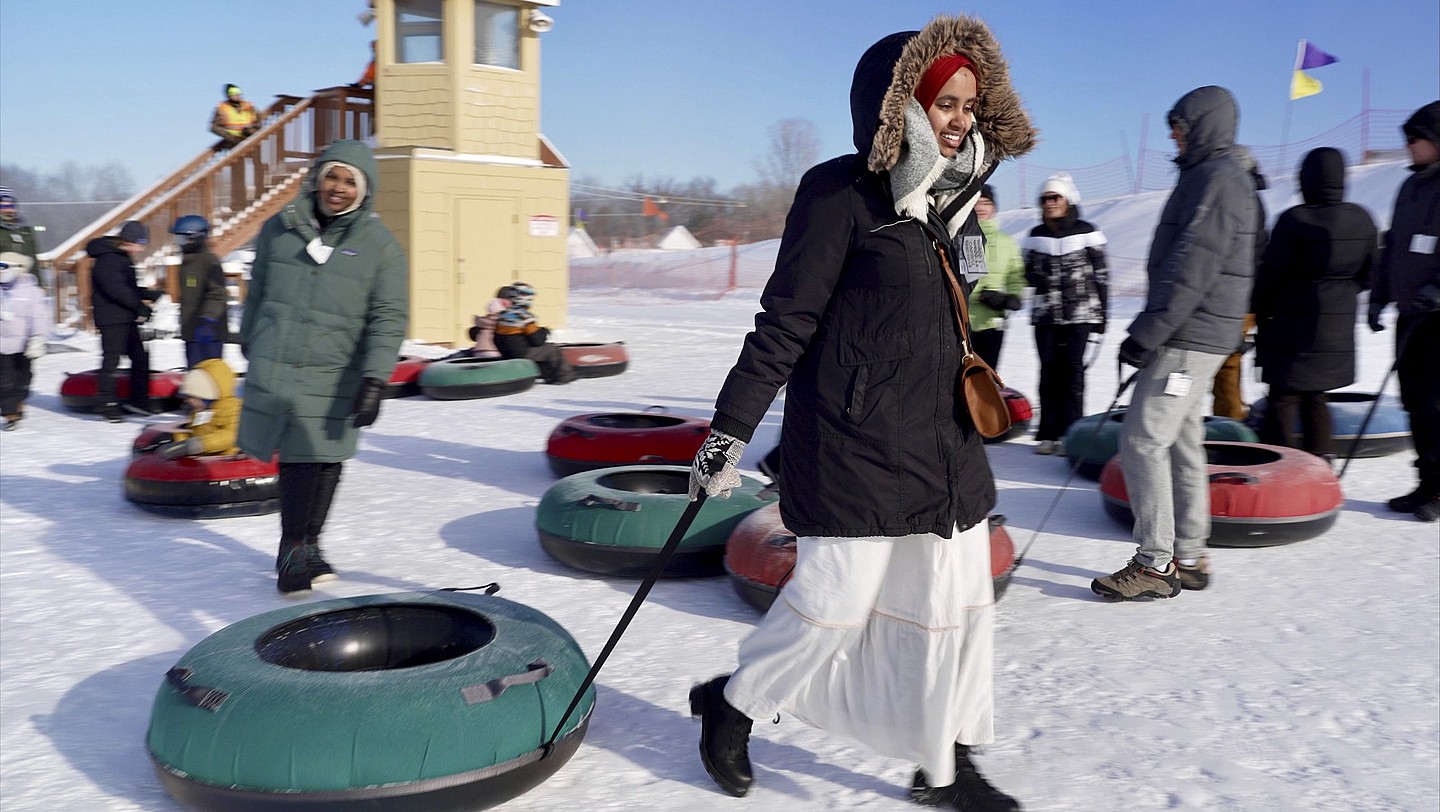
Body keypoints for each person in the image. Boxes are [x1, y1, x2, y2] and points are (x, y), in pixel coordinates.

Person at [686, 15, 1034, 810]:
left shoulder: (957, 202)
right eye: (944, 102)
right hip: (854, 443)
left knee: (957, 611)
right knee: (832, 606)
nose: (960, 119)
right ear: (900, 102)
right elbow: (786, 323)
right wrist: (729, 430)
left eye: (969, 105)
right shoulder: (838, 193)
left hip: (944, 448)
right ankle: (733, 706)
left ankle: (945, 764)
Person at [1094, 86, 1258, 600]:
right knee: (1183, 441)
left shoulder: (1217, 179)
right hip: (1198, 334)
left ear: (1204, 127)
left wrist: (1147, 332)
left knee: (1142, 440)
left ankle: (1155, 563)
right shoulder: (1213, 176)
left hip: (1188, 336)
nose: (1173, 136)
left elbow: (1191, 268)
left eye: (1181, 127)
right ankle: (1188, 554)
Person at [237, 139, 409, 595]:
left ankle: (310, 545)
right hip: (282, 361)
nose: (338, 187)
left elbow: (389, 317)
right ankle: (292, 550)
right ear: (316, 178)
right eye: (332, 176)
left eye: (350, 181)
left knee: (329, 458)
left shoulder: (380, 247)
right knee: (299, 456)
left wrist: (375, 378)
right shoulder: (279, 229)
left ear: (364, 190)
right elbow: (257, 291)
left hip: (338, 370)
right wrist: (250, 338)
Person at [1252, 147, 1377, 462]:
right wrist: (1341, 293)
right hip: (1337, 326)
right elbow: (1371, 273)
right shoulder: (1362, 219)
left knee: (1283, 396)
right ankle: (1321, 463)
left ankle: (1279, 465)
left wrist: (1260, 306)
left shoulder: (1295, 220)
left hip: (1292, 322)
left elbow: (1271, 274)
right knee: (1315, 396)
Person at [1368, 100, 1440, 523]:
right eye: (1407, 138)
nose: (1409, 144)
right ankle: (1426, 483)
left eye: (1417, 138)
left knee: (1435, 404)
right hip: (1411, 314)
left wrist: (1437, 290)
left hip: (1437, 316)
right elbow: (1392, 246)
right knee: (1414, 401)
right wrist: (1379, 296)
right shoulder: (1410, 187)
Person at [1022, 171, 1108, 454]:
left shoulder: (1088, 231)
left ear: (1068, 199)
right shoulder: (1035, 235)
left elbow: (1102, 276)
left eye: (1055, 197)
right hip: (1045, 316)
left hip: (1080, 315)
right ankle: (1049, 433)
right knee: (1048, 371)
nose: (1049, 203)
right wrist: (1037, 277)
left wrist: (1102, 316)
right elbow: (1026, 272)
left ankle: (1072, 433)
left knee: (1072, 373)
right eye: (1044, 199)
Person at [1209, 147, 1269, 420]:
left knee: (1226, 366)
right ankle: (1228, 420)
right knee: (1225, 366)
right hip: (1241, 296)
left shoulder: (1242, 199)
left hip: (1237, 298)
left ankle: (1229, 427)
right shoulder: (1248, 198)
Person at [88, 220, 160, 422]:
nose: (141, 249)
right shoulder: (107, 259)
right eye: (140, 244)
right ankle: (107, 403)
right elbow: (116, 289)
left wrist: (146, 294)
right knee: (112, 360)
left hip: (125, 316)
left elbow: (126, 287)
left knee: (140, 357)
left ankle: (138, 400)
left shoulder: (122, 257)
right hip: (111, 318)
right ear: (128, 241)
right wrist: (138, 305)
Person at [967, 183, 1025, 370]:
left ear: (994, 207)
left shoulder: (1007, 242)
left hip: (993, 324)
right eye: (977, 202)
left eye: (986, 203)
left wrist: (1013, 296)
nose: (981, 207)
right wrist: (982, 296)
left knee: (989, 377)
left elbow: (1015, 275)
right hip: (966, 323)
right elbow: (968, 281)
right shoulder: (968, 239)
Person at [170, 215, 230, 368]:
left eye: (182, 239)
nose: (179, 244)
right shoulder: (187, 262)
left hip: (209, 332)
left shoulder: (209, 261)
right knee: (194, 375)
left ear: (195, 238)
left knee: (208, 375)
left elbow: (217, 293)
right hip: (192, 331)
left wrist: (208, 319)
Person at [153, 358, 242, 459]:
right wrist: (176, 439)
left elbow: (231, 436)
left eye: (193, 397)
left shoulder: (234, 409)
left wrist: (197, 445)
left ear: (207, 396)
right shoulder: (199, 412)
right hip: (206, 458)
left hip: (228, 459)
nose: (188, 401)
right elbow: (194, 435)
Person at [0, 252, 48, 431]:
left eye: (3, 266)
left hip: (24, 346)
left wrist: (38, 338)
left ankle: (18, 401)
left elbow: (39, 317)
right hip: (2, 346)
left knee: (24, 379)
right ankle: (10, 413)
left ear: (17, 268)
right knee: (5, 380)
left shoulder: (31, 292)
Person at [492, 283, 575, 383]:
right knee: (551, 349)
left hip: (506, 352)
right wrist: (543, 331)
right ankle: (564, 376)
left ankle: (546, 373)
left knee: (540, 350)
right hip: (521, 353)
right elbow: (537, 340)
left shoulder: (502, 315)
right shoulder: (524, 316)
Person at [0, 187, 42, 288]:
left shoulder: (25, 230)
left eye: (11, 206)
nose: (8, 210)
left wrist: (39, 285)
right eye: (3, 206)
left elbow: (33, 260)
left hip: (25, 286)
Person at [211, 84, 260, 149]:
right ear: (228, 95)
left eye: (238, 94)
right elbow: (214, 127)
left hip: (251, 139)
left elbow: (259, 120)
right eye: (234, 94)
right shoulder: (222, 109)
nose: (237, 96)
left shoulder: (249, 106)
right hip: (234, 143)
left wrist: (253, 130)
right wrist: (230, 137)